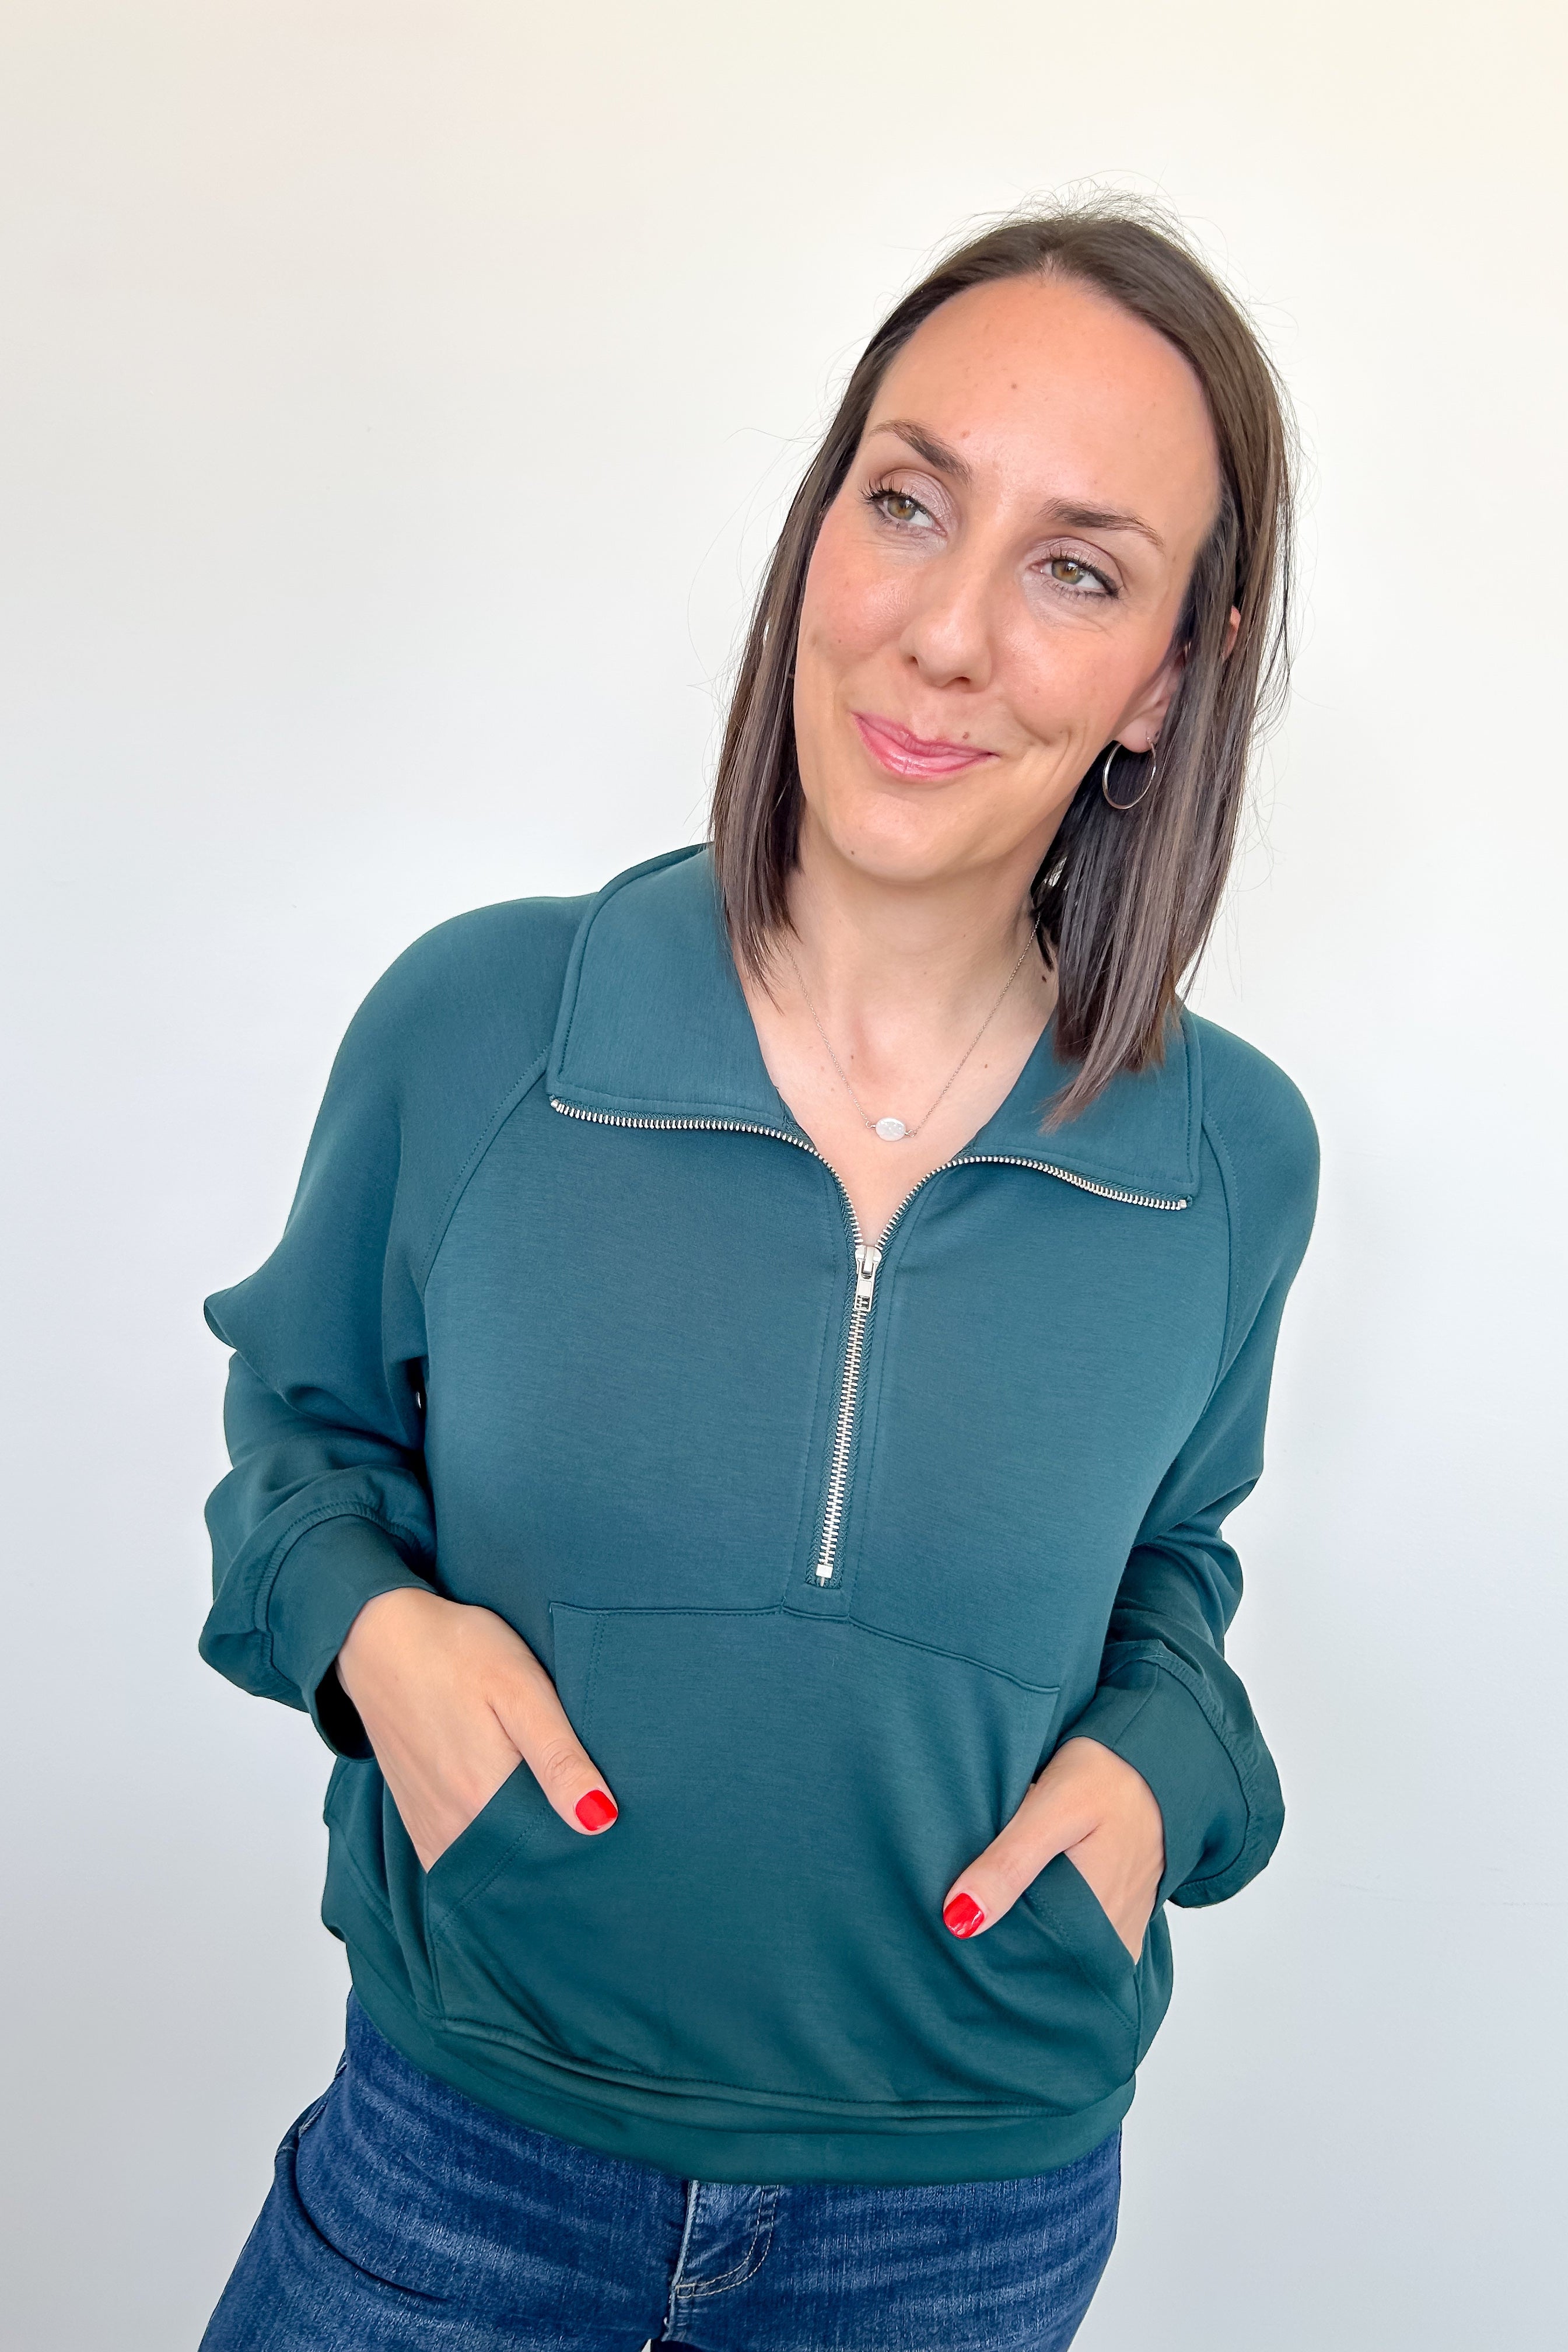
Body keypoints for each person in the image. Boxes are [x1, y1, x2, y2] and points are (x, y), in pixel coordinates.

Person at [197, 201, 1317, 2351]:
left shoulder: (1229, 1158)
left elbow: (1173, 1566)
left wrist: (1165, 1764)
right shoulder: (484, 1026)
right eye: (910, 504)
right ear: (819, 534)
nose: (949, 633)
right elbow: (300, 1446)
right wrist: (376, 1638)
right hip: (465, 2170)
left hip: (957, 2230)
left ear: (1169, 678)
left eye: (1076, 568)